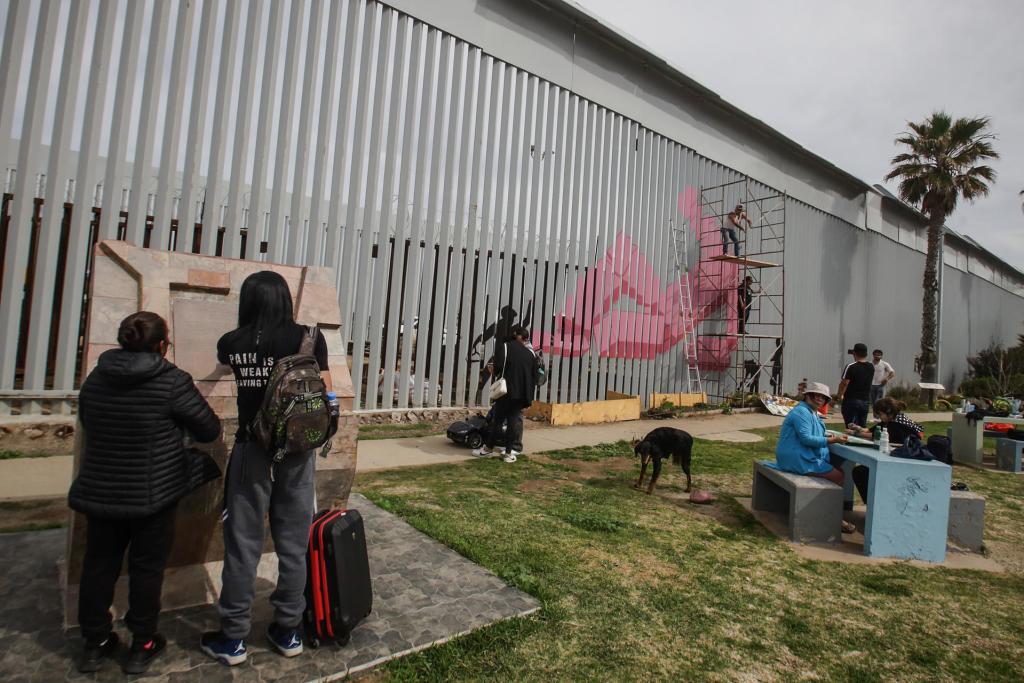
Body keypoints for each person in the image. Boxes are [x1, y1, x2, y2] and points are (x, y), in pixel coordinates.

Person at [69, 312, 221, 675]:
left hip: (102, 488)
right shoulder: (171, 380)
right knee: (146, 567)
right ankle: (143, 642)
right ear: (162, 345)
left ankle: (95, 641)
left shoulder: (97, 378)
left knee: (99, 564)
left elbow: (88, 420)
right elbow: (208, 428)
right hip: (152, 493)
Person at [202, 271, 333, 665]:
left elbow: (226, 362)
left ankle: (233, 637)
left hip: (251, 452)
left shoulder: (232, 342)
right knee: (293, 543)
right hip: (296, 453)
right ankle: (288, 630)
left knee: (243, 546)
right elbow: (324, 394)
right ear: (284, 300)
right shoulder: (308, 337)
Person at [774, 381, 855, 533]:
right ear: (808, 396)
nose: (820, 399)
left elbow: (812, 434)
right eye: (816, 395)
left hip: (800, 455)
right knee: (838, 476)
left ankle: (829, 512)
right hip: (796, 457)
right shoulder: (802, 412)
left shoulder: (811, 412)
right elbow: (806, 439)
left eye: (823, 397)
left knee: (837, 472)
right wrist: (832, 440)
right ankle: (832, 518)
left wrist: (828, 436)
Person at [472, 324, 538, 463]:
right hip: (521, 394)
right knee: (513, 423)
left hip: (506, 391)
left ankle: (488, 449)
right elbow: (534, 376)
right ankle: (508, 453)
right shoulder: (530, 354)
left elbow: (498, 368)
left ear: (515, 335)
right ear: (524, 338)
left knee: (498, 421)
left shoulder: (506, 347)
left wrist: (492, 370)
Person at [845, 397, 924, 502]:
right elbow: (870, 430)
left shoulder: (897, 424)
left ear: (889, 413)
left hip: (903, 464)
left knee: (861, 473)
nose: (879, 417)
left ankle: (873, 504)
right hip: (895, 459)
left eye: (880, 414)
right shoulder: (890, 420)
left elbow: (875, 435)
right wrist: (857, 428)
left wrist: (855, 433)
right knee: (860, 471)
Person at [837, 342, 874, 428]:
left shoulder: (851, 366)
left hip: (851, 400)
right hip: (865, 401)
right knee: (862, 426)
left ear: (855, 353)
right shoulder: (871, 366)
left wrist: (839, 396)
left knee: (850, 426)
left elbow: (844, 383)